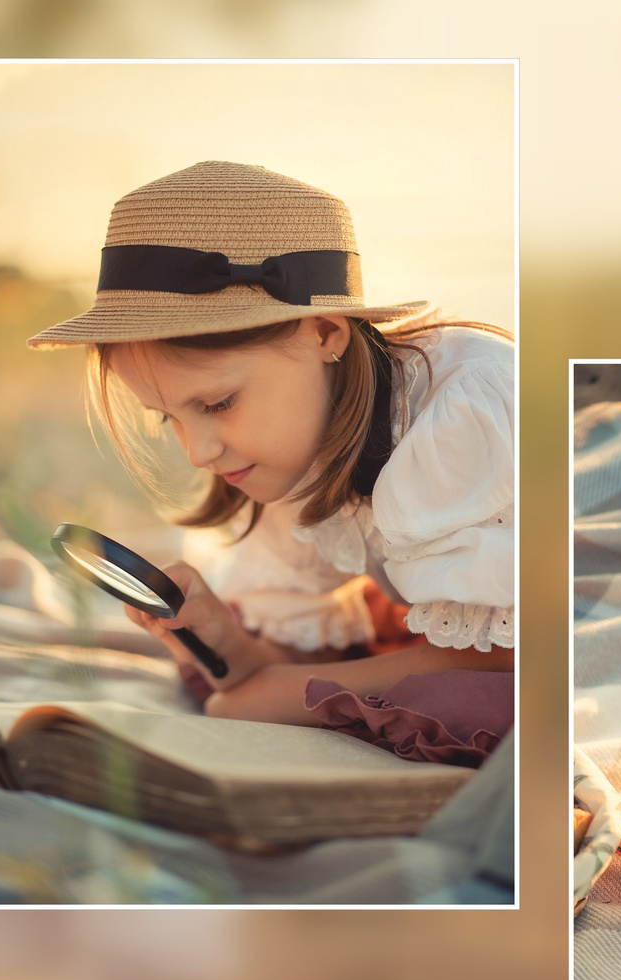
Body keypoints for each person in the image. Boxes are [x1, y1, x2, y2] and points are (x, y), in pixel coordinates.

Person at [30, 161, 514, 752]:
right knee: (215, 670)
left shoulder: (464, 404)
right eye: (169, 419)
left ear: (326, 333)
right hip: (427, 609)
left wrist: (295, 690)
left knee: (475, 707)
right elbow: (268, 668)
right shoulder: (284, 459)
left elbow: (507, 652)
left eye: (217, 402)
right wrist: (219, 636)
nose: (199, 452)